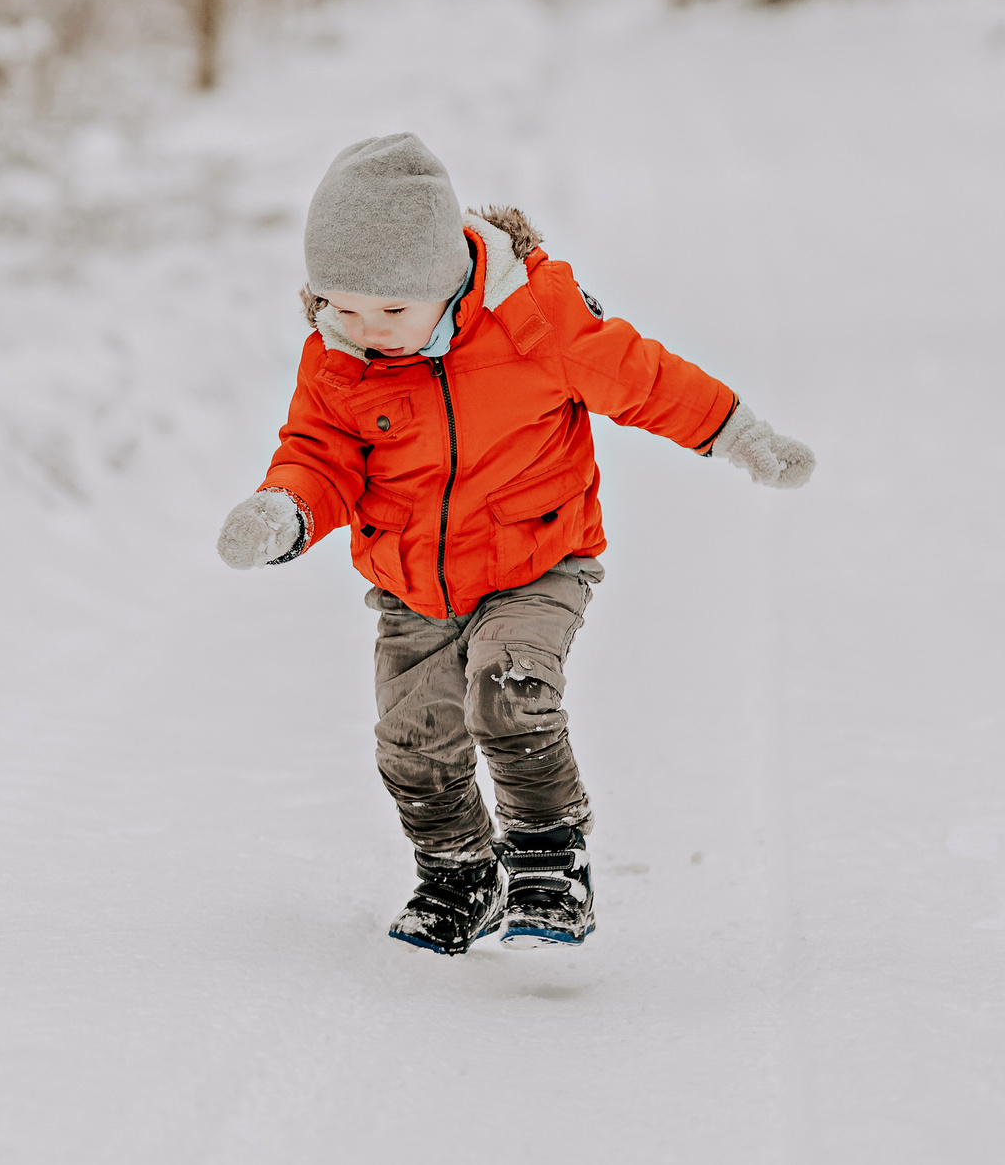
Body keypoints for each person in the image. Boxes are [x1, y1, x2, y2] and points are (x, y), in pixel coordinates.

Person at [214, 133, 814, 954]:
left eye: (392, 309)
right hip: (414, 582)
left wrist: (740, 434)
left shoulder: (534, 317)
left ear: (446, 280)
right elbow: (319, 458)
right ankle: (460, 872)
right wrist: (284, 509)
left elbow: (644, 380)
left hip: (539, 558)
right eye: (341, 305)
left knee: (509, 686)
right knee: (410, 743)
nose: (368, 328)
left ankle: (547, 861)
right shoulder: (339, 359)